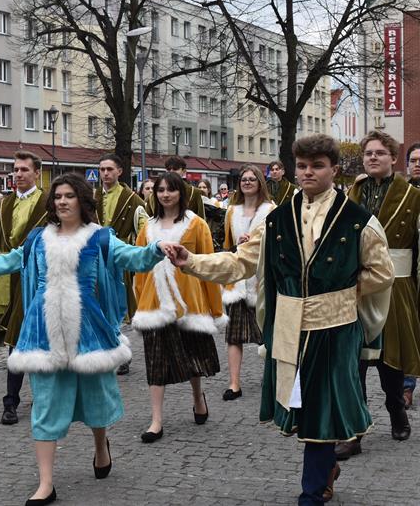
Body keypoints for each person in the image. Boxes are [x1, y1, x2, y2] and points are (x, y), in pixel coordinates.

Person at [167, 134, 394, 504]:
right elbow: (240, 261)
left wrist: (345, 292)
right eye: (302, 166)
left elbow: (382, 272)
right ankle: (326, 468)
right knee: (301, 406)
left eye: (317, 165)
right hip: (289, 326)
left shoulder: (358, 221)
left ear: (334, 169)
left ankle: (312, 490)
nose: (308, 172)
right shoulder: (276, 220)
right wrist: (191, 261)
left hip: (336, 327)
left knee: (323, 407)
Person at [0, 173, 169, 506]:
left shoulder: (100, 238)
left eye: (69, 196)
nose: (62, 201)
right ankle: (46, 483)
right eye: (57, 196)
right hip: (42, 332)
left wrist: (158, 249)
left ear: (82, 201)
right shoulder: (37, 239)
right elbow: (4, 261)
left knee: (95, 399)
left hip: (89, 332)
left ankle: (101, 446)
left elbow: (135, 258)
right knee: (44, 404)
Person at [340, 130, 419, 459]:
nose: (372, 157)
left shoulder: (412, 196)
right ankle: (355, 430)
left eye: (379, 153)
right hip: (357, 285)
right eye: (368, 153)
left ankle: (396, 407)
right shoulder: (352, 193)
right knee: (354, 361)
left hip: (396, 285)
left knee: (390, 361)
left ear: (393, 158)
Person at [132, 172, 224, 444]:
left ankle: (197, 397)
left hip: (189, 301)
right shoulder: (147, 228)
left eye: (170, 190)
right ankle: (156, 420)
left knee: (193, 355)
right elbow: (140, 266)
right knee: (155, 361)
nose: (165, 195)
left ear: (180, 193)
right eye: (160, 190)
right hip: (155, 303)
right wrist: (140, 301)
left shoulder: (196, 225)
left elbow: (208, 266)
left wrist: (215, 308)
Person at [0, 151, 48, 426]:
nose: (18, 174)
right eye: (15, 169)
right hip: (9, 281)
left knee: (38, 339)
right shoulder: (4, 205)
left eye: (24, 169)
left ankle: (40, 396)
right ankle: (11, 401)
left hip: (40, 280)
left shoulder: (49, 202)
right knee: (14, 342)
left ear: (37, 172)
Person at [218, 165, 274, 400]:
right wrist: (238, 245)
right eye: (244, 179)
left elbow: (277, 245)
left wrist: (257, 242)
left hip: (261, 279)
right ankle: (234, 383)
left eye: (252, 179)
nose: (247, 182)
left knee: (268, 333)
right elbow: (226, 246)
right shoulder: (232, 211)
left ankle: (271, 378)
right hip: (238, 280)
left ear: (260, 183)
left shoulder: (271, 210)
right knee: (234, 334)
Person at [94, 153, 148, 376]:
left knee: (117, 309)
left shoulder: (133, 200)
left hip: (119, 261)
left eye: (109, 169)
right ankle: (106, 351)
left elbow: (145, 232)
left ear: (119, 171)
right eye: (102, 169)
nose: (105, 173)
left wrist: (134, 253)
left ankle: (121, 353)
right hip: (94, 261)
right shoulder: (91, 197)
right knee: (98, 309)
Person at [405, 141, 420, 407]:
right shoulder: (401, 195)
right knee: (408, 331)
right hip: (406, 274)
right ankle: (406, 387)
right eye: (414, 160)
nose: (417, 164)